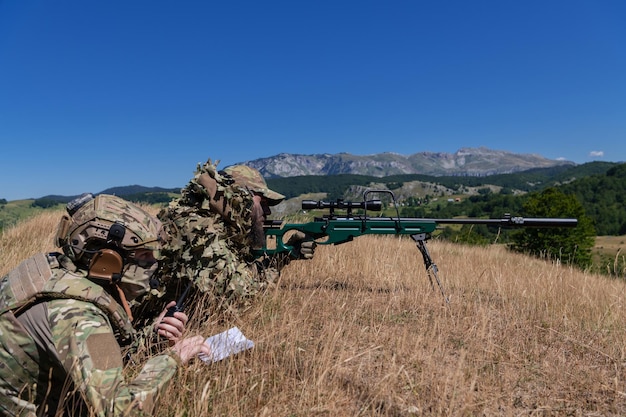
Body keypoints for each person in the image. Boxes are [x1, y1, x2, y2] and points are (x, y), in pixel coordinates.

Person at [0, 193, 210, 417]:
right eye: (145, 255)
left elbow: (90, 354)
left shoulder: (56, 272)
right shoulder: (77, 314)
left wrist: (152, 338)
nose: (152, 264)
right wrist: (174, 358)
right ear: (109, 258)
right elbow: (121, 412)